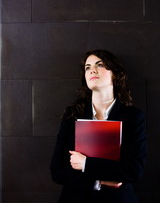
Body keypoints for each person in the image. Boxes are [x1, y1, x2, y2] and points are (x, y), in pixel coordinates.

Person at [50, 49, 147, 203]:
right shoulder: (73, 115)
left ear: (115, 73)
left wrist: (85, 164)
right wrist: (98, 181)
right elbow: (57, 171)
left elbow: (133, 171)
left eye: (99, 65)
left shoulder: (133, 117)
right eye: (87, 67)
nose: (92, 70)